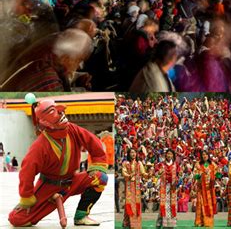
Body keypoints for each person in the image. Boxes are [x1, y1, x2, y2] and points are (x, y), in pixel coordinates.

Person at [8, 96, 108, 226]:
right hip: (49, 186)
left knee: (101, 178)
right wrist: (26, 196)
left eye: (57, 109)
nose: (61, 112)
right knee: (17, 219)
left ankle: (81, 216)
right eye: (53, 111)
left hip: (73, 181)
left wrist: (96, 165)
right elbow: (27, 171)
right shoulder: (40, 145)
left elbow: (93, 142)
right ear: (45, 122)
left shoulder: (72, 129)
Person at [193, 149, 220, 227]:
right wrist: (200, 175)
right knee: (201, 205)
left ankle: (208, 221)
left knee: (209, 205)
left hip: (210, 188)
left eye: (206, 154)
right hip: (201, 188)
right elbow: (195, 175)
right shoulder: (198, 164)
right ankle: (200, 221)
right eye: (203, 154)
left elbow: (218, 174)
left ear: (208, 156)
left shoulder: (213, 164)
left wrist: (217, 175)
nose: (204, 156)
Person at [122, 148, 148, 229]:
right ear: (129, 154)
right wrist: (130, 175)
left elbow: (143, 174)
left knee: (136, 205)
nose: (133, 154)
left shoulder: (139, 163)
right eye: (131, 152)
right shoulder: (125, 163)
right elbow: (124, 174)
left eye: (134, 152)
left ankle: (135, 224)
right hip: (129, 186)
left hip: (136, 186)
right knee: (129, 204)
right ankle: (128, 223)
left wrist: (149, 174)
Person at [156, 149, 180, 229]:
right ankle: (163, 223)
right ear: (165, 155)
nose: (169, 155)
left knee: (172, 205)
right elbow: (156, 174)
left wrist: (177, 180)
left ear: (173, 155)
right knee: (164, 205)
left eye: (171, 154)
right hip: (164, 187)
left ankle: (171, 223)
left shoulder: (176, 164)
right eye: (168, 154)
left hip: (173, 187)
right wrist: (159, 172)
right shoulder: (161, 164)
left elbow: (179, 175)